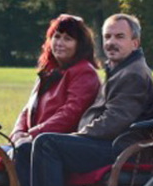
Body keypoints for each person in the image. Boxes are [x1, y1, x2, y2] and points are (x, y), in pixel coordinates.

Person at [19, 13, 153, 186]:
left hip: (119, 148)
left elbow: (114, 122)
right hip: (108, 143)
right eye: (107, 37)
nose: (111, 42)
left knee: (47, 143)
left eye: (119, 37)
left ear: (135, 43)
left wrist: (78, 135)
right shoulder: (120, 70)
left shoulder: (133, 74)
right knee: (31, 146)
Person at [8, 14, 100, 168]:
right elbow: (27, 109)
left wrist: (32, 134)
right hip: (32, 139)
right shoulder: (49, 71)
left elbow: (70, 114)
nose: (60, 43)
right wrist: (17, 133)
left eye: (68, 39)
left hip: (56, 146)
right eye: (57, 37)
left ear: (80, 45)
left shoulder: (84, 72)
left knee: (21, 151)